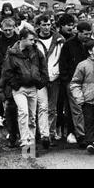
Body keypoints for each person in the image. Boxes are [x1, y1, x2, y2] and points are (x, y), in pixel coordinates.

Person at [0, 28, 49, 148]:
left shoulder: (36, 52)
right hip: (19, 89)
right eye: (31, 39)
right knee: (23, 113)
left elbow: (43, 67)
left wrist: (41, 81)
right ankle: (24, 141)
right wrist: (15, 84)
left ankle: (31, 143)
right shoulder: (12, 53)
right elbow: (6, 72)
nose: (33, 42)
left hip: (33, 87)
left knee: (32, 117)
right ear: (22, 39)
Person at [59, 21, 92, 148]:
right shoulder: (68, 45)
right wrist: (67, 80)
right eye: (85, 34)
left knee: (88, 107)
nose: (88, 36)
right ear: (78, 32)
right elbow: (63, 63)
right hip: (73, 82)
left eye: (89, 33)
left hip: (88, 81)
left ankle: (88, 133)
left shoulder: (90, 44)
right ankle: (81, 135)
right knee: (77, 108)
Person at [35, 14, 65, 147]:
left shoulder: (59, 39)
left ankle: (51, 133)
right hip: (40, 78)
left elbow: (62, 58)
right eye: (43, 25)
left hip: (54, 77)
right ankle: (43, 134)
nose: (46, 27)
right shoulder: (34, 40)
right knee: (42, 107)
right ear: (39, 25)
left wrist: (57, 72)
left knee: (52, 108)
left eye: (48, 25)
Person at [0, 18, 20, 147]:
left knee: (22, 109)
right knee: (9, 109)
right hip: (6, 77)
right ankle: (12, 135)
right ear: (2, 30)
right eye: (5, 30)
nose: (8, 32)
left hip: (20, 77)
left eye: (10, 29)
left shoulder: (20, 39)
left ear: (14, 28)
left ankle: (24, 136)